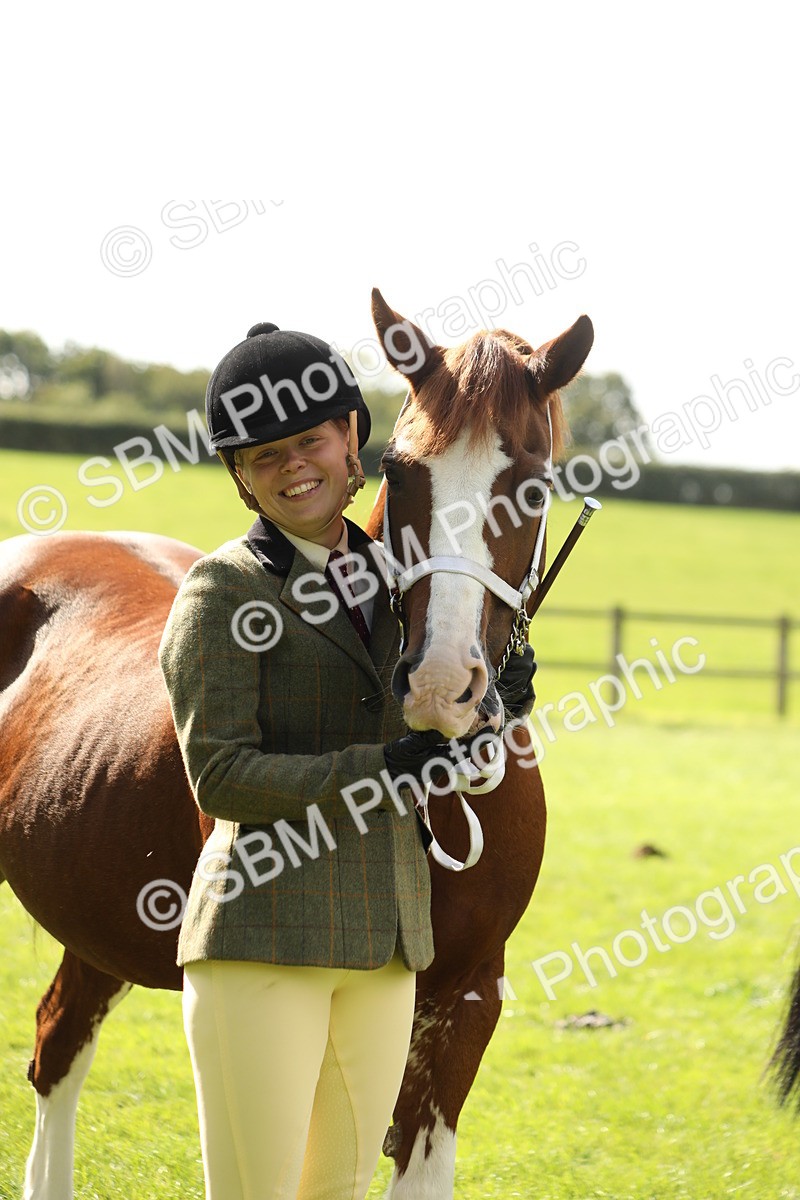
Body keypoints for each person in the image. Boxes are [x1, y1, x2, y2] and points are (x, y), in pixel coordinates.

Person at [158, 321, 536, 1200]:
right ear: (239, 476)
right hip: (263, 938)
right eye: (262, 456)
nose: (293, 466)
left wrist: (502, 693)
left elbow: (442, 728)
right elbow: (220, 778)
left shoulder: (401, 584)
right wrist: (386, 769)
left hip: (384, 946)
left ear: (353, 440)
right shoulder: (222, 592)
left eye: (310, 440)